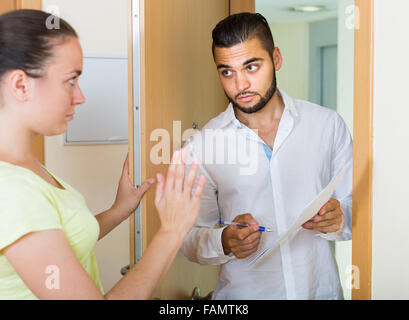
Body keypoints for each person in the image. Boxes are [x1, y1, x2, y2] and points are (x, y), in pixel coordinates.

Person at [0, 9, 206, 300]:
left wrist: (118, 211)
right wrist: (171, 232)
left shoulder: (25, 167)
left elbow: (64, 240)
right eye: (70, 80)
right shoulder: (10, 188)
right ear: (21, 85)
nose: (80, 96)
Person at [181, 12, 352, 299]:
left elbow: (353, 207)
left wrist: (340, 218)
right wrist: (223, 241)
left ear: (276, 59)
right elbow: (188, 238)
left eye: (251, 67)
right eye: (227, 71)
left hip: (320, 292)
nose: (240, 85)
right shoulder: (202, 146)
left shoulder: (327, 126)